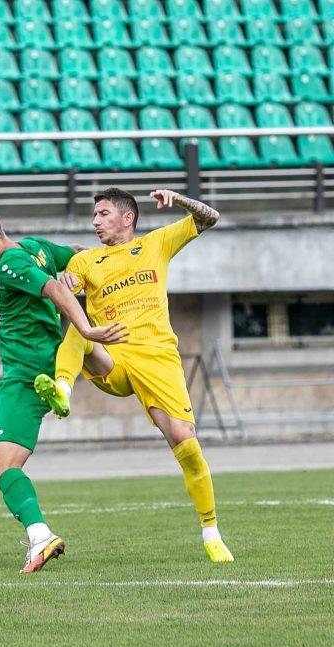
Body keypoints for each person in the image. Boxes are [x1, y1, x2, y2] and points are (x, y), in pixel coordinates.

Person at [34, 187, 234, 563]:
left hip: (158, 357)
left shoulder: (157, 244)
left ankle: (211, 531)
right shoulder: (84, 262)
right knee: (80, 326)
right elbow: (66, 294)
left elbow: (211, 217)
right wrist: (68, 288)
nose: (95, 221)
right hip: (113, 354)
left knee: (185, 441)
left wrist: (181, 200)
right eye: (94, 215)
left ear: (128, 218)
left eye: (103, 214)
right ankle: (62, 388)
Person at [0, 205, 127, 572]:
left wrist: (86, 328)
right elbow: (77, 256)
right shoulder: (36, 248)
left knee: (4, 466)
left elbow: (53, 287)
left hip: (28, 379)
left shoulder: (10, 265)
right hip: (13, 378)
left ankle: (40, 536)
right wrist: (78, 276)